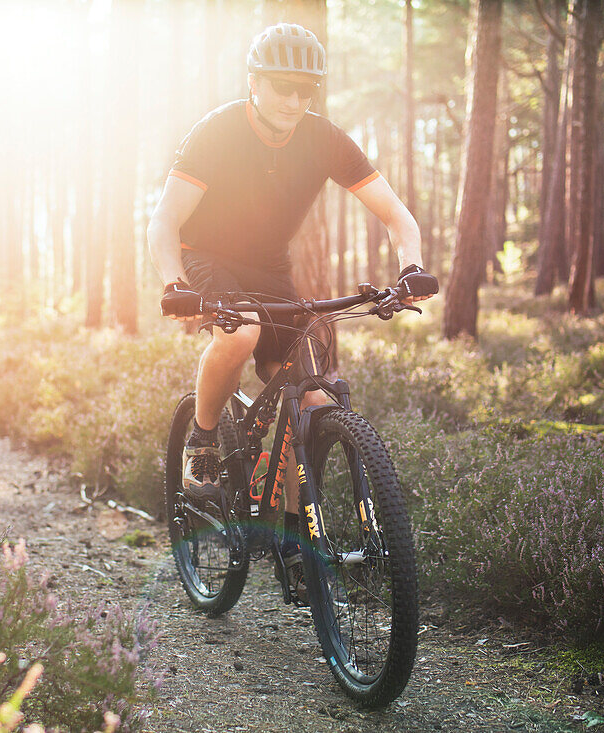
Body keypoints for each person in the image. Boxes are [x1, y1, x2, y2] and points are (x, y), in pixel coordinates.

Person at [147, 22, 438, 601]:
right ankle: (204, 440)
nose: (295, 99)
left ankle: (291, 536)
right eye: (283, 85)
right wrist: (174, 284)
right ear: (254, 81)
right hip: (207, 258)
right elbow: (164, 222)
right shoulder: (218, 132)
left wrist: (411, 269)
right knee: (241, 333)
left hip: (271, 269)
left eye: (307, 88)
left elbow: (398, 216)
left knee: (315, 395)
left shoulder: (324, 139)